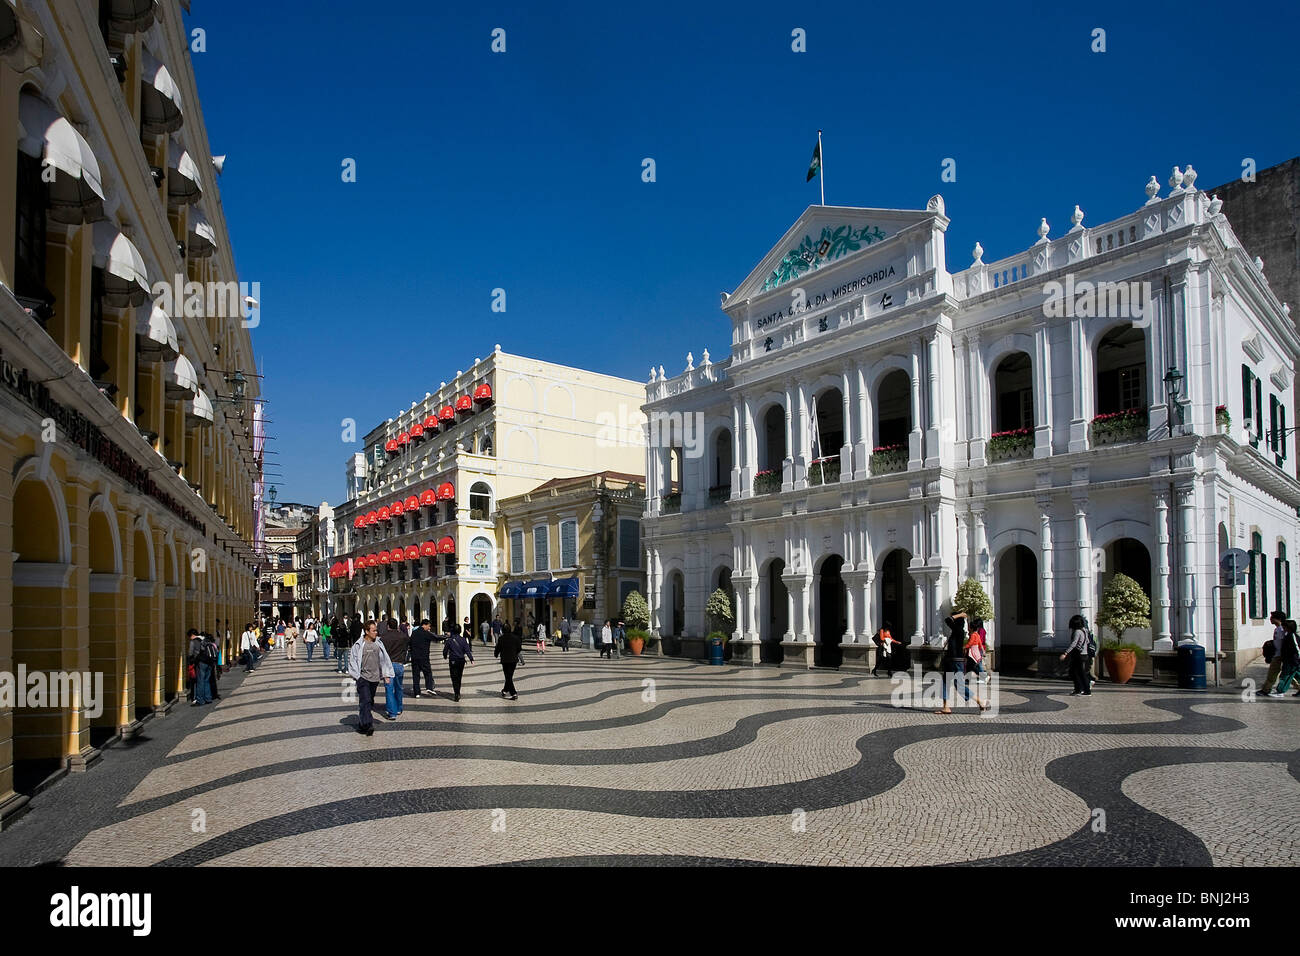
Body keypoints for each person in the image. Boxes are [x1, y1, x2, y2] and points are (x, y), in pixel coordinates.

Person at [347, 620, 393, 736]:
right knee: (365, 700)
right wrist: (357, 676)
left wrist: (386, 675)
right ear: (367, 631)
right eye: (373, 631)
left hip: (375, 678)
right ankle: (368, 724)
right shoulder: (359, 645)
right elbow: (353, 660)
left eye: (376, 630)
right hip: (363, 678)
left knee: (369, 701)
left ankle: (362, 724)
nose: (376, 633)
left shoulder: (378, 643)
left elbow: (384, 660)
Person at [937, 611, 986, 713]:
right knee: (946, 683)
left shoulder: (958, 630)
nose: (952, 619)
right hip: (952, 661)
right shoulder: (957, 631)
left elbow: (948, 620)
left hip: (955, 662)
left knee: (958, 685)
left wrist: (960, 615)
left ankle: (980, 701)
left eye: (954, 618)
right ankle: (946, 707)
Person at [379, 619, 410, 720]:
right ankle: (399, 708)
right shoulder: (403, 636)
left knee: (389, 688)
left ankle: (392, 713)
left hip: (388, 665)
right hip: (399, 664)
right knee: (398, 687)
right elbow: (406, 648)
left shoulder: (383, 637)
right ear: (397, 626)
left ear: (388, 626)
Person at [1060, 614, 1092, 696]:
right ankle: (1080, 689)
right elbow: (1087, 641)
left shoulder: (1077, 632)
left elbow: (1073, 644)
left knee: (1076, 672)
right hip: (1084, 654)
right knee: (1078, 672)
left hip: (1078, 655)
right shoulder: (1084, 630)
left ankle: (1084, 690)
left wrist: (1065, 653)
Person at [1268, 618, 1300, 698]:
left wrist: (1297, 660)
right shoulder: (1287, 635)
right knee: (1297, 676)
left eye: (1284, 627)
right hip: (1290, 660)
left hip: (1292, 661)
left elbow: (1296, 649)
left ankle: (1280, 691)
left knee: (1285, 676)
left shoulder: (1292, 636)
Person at [443, 623, 474, 701]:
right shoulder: (463, 639)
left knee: (454, 677)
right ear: (460, 631)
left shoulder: (449, 640)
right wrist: (471, 659)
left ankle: (456, 693)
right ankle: (458, 692)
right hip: (461, 660)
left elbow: (445, 650)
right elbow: (467, 650)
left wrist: (445, 656)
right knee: (459, 677)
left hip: (453, 660)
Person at [1260, 610, 1287, 695]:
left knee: (1282, 673)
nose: (1270, 619)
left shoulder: (1283, 629)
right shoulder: (1277, 629)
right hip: (1277, 654)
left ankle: (1266, 690)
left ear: (1278, 619)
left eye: (1272, 618)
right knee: (1275, 673)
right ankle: (1266, 689)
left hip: (1281, 655)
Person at [495, 619, 523, 699]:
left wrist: (496, 654)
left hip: (505, 660)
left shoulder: (501, 638)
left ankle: (513, 693)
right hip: (513, 660)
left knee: (508, 677)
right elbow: (519, 648)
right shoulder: (515, 638)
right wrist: (515, 653)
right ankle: (505, 690)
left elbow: (498, 648)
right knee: (509, 676)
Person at [410, 619, 437, 698]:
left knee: (416, 675)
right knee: (428, 672)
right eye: (428, 626)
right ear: (424, 625)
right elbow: (436, 638)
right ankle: (429, 687)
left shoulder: (414, 633)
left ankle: (417, 693)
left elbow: (410, 643)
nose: (429, 628)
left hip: (415, 657)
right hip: (424, 657)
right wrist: (447, 636)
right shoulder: (426, 633)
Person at [965, 616, 988, 683]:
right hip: (978, 649)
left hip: (976, 650)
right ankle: (968, 679)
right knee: (972, 665)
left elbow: (975, 642)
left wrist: (964, 647)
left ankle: (983, 677)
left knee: (976, 665)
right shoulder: (980, 631)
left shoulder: (978, 632)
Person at [205, 631, 222, 701]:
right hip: (214, 663)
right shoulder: (214, 645)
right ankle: (214, 694)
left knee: (210, 679)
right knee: (213, 680)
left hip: (211, 663)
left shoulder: (209, 645)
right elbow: (218, 655)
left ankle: (211, 694)